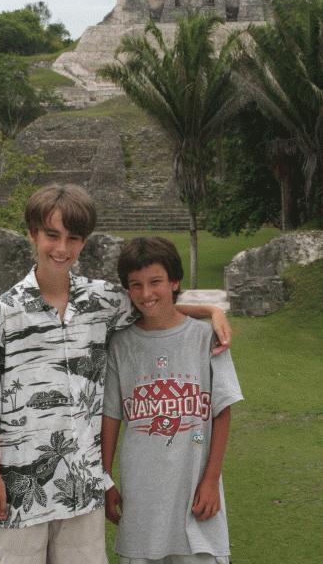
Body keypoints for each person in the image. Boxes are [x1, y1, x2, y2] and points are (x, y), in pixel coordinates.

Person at [0, 184, 232, 564]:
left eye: (73, 238)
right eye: (52, 235)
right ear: (33, 234)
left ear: (84, 242)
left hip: (84, 485)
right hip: (20, 486)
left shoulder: (101, 301)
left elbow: (153, 302)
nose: (62, 249)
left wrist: (211, 312)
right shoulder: (5, 311)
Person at [102, 236, 243, 564]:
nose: (146, 293)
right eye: (135, 285)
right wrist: (106, 479)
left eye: (155, 282)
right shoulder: (120, 345)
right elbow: (110, 417)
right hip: (141, 496)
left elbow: (222, 411)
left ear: (174, 281)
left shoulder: (207, 338)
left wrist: (210, 480)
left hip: (194, 491)